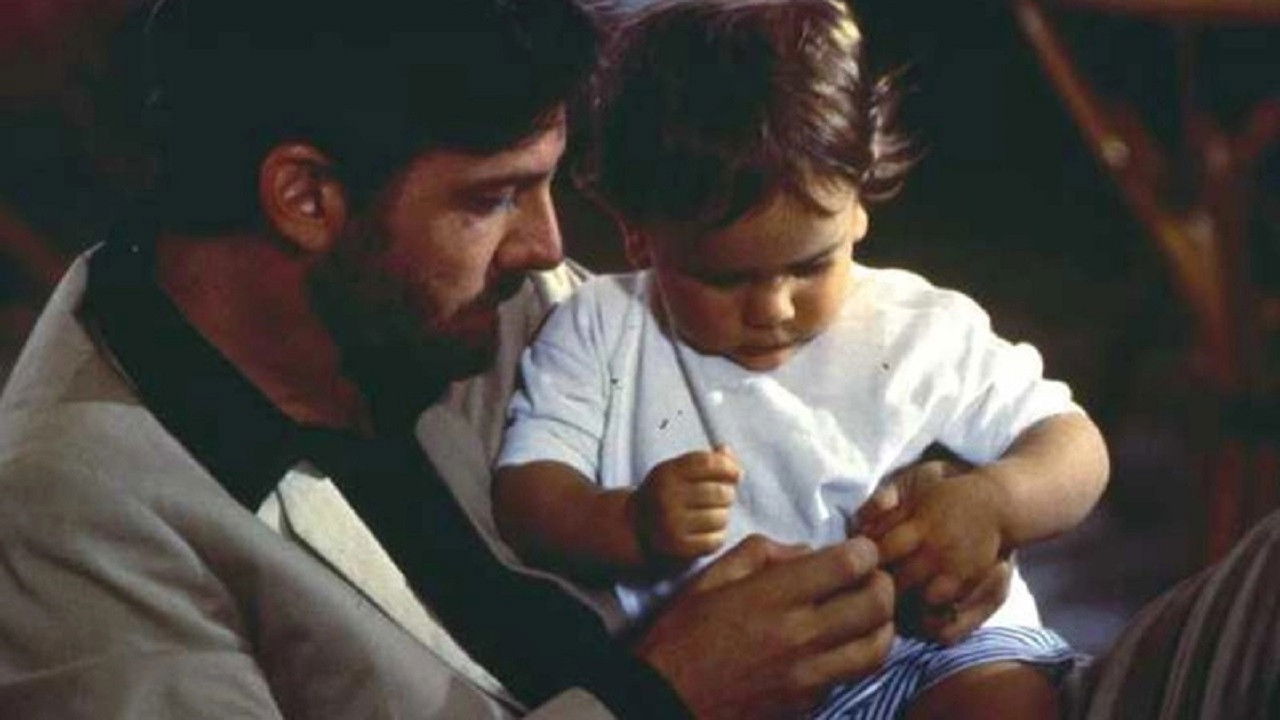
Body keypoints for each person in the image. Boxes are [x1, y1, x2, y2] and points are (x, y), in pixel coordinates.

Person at [0, 0, 914, 717]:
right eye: (494, 198)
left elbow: (789, 417)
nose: (548, 246)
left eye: (547, 184)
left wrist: (937, 505)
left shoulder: (482, 304)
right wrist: (659, 700)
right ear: (306, 197)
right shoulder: (68, 521)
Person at [491, 1, 1109, 718]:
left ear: (858, 205)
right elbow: (528, 491)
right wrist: (628, 522)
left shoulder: (919, 327)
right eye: (724, 280)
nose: (774, 309)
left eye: (811, 266)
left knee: (1004, 701)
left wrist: (995, 504)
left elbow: (1074, 445)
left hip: (929, 657)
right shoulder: (600, 327)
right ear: (638, 234)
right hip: (728, 686)